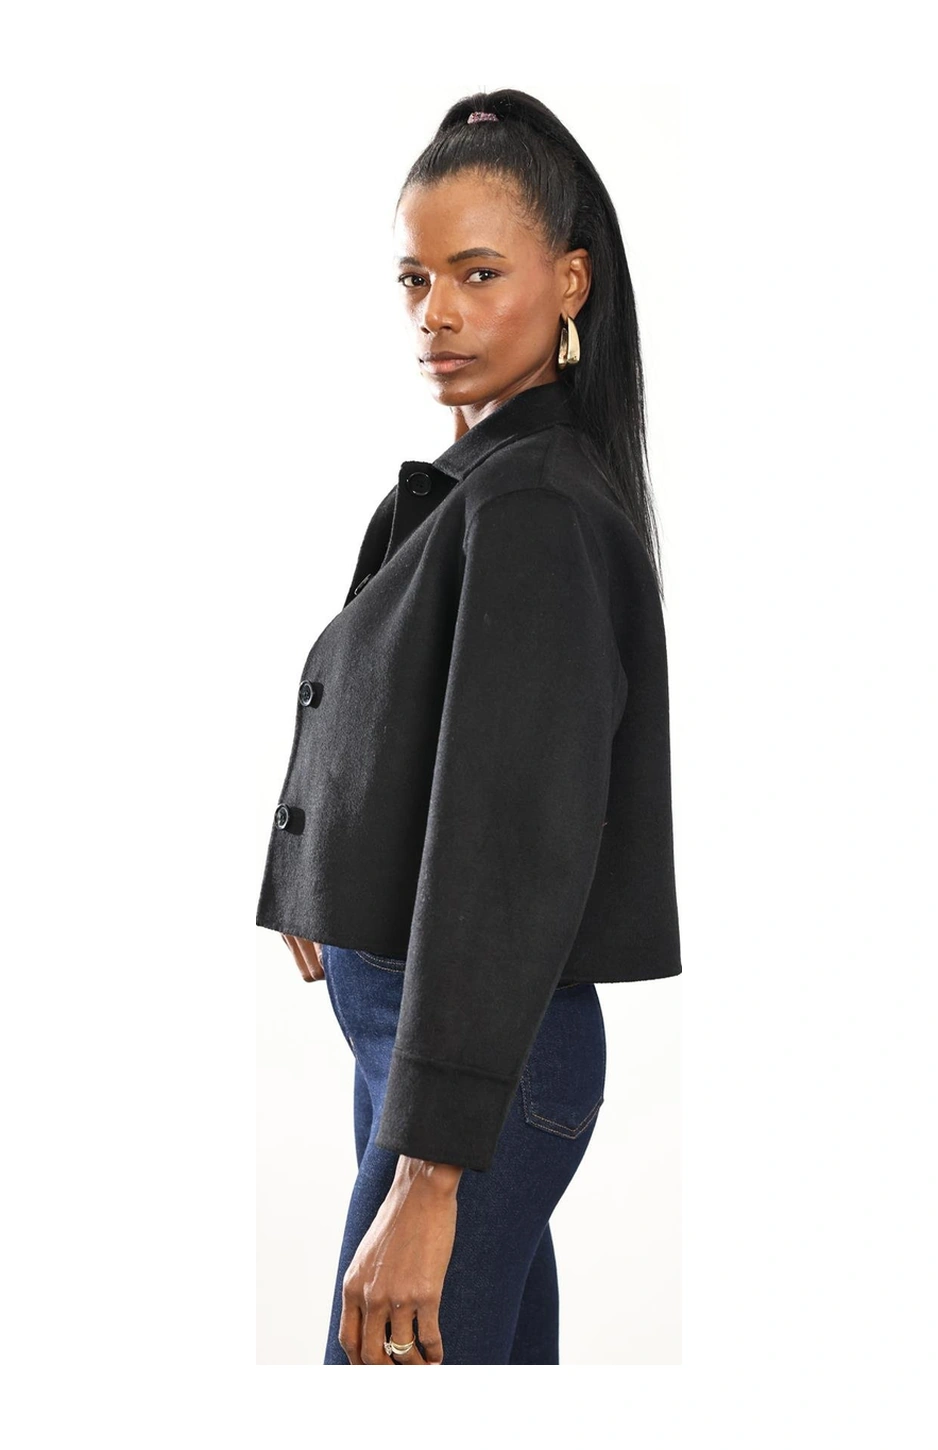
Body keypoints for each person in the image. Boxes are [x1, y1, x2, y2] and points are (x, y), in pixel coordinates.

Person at [256, 88, 682, 1365]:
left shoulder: (533, 511)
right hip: (433, 1056)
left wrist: (429, 1172)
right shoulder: (480, 489)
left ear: (569, 283)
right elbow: (420, 730)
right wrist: (319, 867)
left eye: (476, 273)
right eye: (414, 278)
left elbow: (507, 841)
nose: (434, 313)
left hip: (472, 1078)